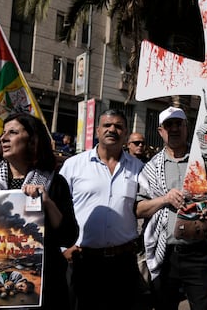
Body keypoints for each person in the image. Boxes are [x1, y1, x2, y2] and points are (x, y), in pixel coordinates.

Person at [136, 106, 207, 310]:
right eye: (168, 125)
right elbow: (139, 209)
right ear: (160, 131)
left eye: (178, 123)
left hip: (198, 252)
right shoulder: (151, 168)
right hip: (166, 255)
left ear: (186, 127)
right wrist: (165, 199)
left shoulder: (206, 162)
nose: (173, 129)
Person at [60, 109, 145, 310]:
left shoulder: (138, 168)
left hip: (123, 263)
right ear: (97, 130)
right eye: (107, 125)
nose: (112, 129)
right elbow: (58, 208)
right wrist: (63, 248)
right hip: (83, 262)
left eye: (118, 126)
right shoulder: (73, 165)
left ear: (125, 134)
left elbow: (146, 205)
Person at [0, 112, 79, 309]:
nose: (4, 138)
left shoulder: (54, 183)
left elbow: (68, 237)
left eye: (13, 132)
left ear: (32, 139)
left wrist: (47, 203)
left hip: (44, 286)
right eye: (3, 133)